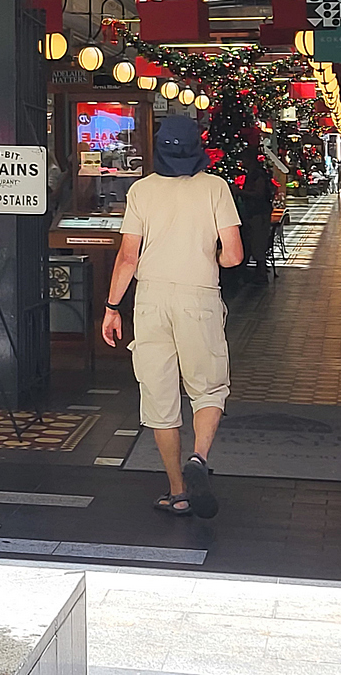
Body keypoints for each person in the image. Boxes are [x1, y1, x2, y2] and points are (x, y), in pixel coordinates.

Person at [102, 116, 244, 520]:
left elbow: (128, 258)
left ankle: (178, 492)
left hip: (151, 299)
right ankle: (198, 458)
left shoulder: (142, 190)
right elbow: (234, 255)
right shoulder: (214, 187)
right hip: (198, 296)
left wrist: (112, 308)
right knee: (209, 388)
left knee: (159, 398)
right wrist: (212, 258)